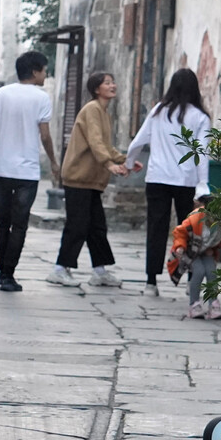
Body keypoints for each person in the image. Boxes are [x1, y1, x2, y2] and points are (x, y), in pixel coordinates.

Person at [0, 50, 61, 292]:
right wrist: (53, 161)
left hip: (1, 168)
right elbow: (45, 135)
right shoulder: (41, 98)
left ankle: (2, 272)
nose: (46, 74)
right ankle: (9, 274)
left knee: (2, 221)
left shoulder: (2, 93)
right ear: (34, 71)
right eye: (44, 69)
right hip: (27, 172)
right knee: (19, 224)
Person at [46, 72, 141, 288]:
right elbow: (96, 142)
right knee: (77, 225)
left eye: (113, 82)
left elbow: (106, 146)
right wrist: (109, 164)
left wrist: (126, 161)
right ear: (97, 89)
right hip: (78, 178)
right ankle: (60, 268)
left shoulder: (104, 113)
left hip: (92, 180)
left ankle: (99, 271)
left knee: (97, 226)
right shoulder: (92, 110)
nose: (113, 86)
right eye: (107, 83)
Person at [126, 68, 211, 297]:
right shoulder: (200, 117)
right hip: (186, 180)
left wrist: (129, 162)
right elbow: (202, 153)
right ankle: (190, 278)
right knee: (191, 231)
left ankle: (151, 281)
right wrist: (203, 183)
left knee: (156, 228)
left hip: (157, 178)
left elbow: (139, 140)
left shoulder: (158, 111)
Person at [167, 196, 221, 319]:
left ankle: (213, 303)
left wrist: (213, 248)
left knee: (212, 272)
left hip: (206, 249)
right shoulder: (195, 218)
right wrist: (180, 247)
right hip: (190, 249)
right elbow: (180, 232)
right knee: (199, 271)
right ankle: (194, 304)